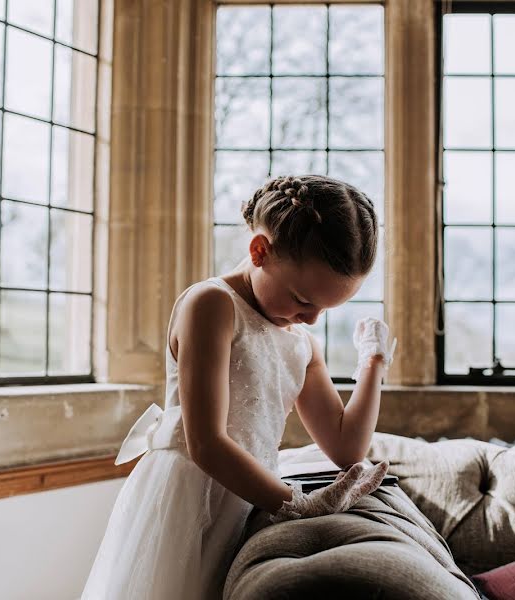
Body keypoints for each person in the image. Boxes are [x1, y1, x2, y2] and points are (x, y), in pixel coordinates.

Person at [81, 175, 397, 600]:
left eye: (326, 308)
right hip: (191, 498)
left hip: (249, 500)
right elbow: (206, 443)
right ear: (260, 251)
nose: (312, 319)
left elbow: (345, 446)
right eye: (304, 299)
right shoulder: (212, 305)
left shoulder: (302, 341)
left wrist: (372, 362)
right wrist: (296, 503)